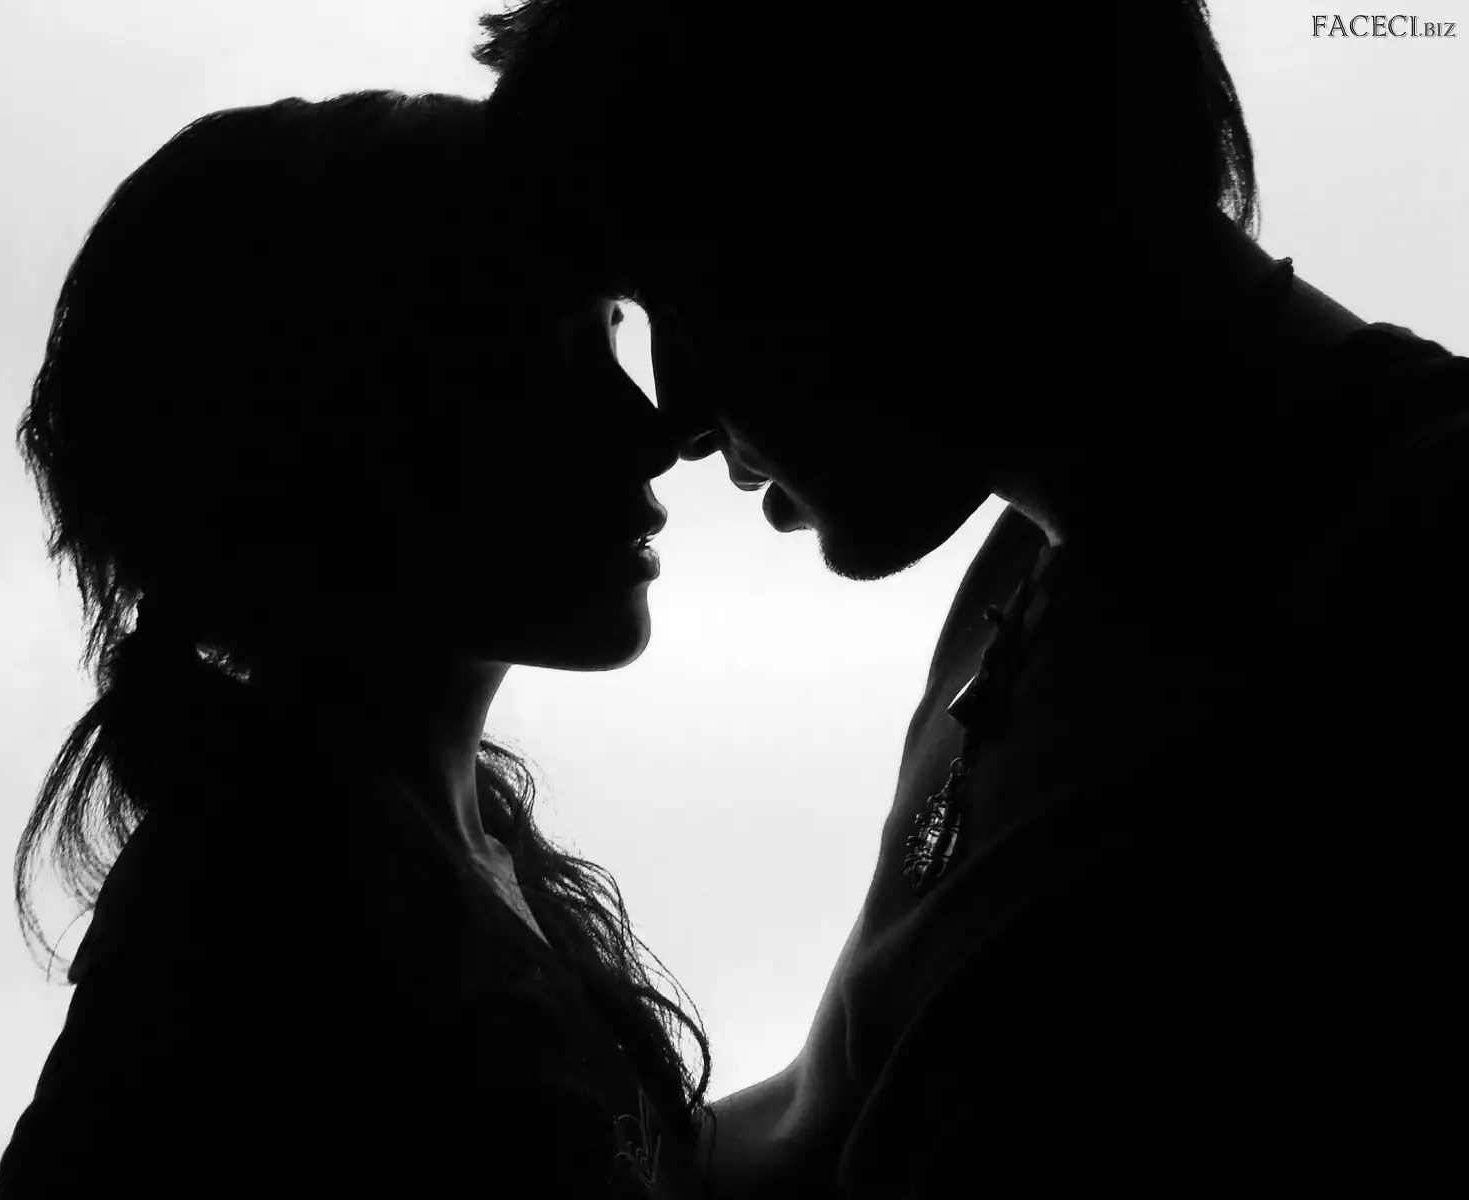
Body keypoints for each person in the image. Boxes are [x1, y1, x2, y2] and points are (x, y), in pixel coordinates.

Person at [476, 2, 1469, 1194]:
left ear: (907, 188)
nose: (678, 418)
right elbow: (825, 1119)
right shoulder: (1033, 566)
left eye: (691, 295)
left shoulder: (1425, 580)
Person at [0, 90, 716, 1198]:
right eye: (546, 366)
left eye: (612, 336)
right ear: (350, 433)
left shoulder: (432, 850)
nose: (649, 430)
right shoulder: (257, 923)